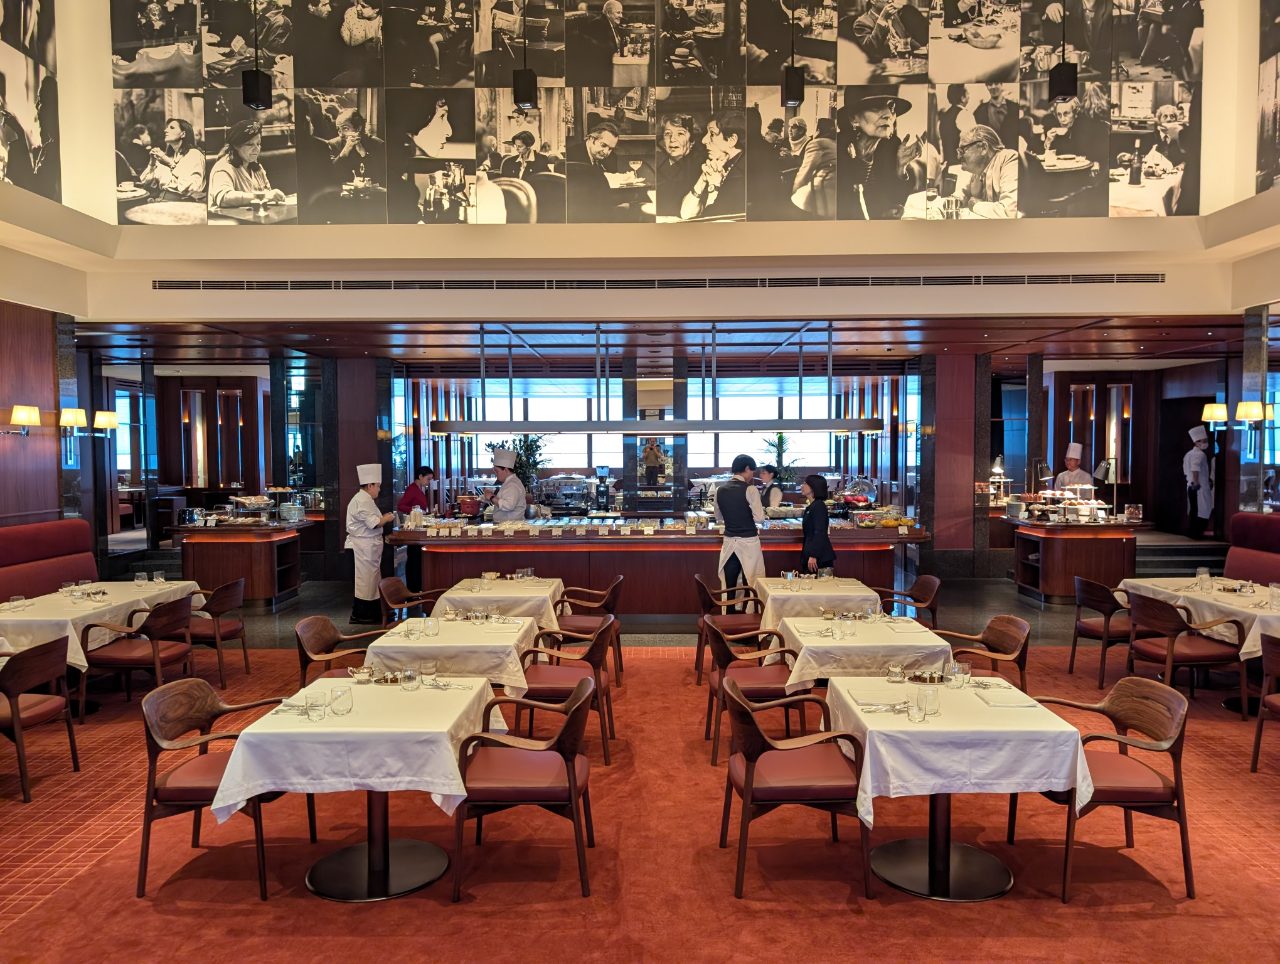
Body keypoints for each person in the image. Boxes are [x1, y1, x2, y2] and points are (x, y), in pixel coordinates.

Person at [836, 87, 919, 220]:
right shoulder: (836, 148)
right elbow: (843, 206)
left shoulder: (891, 145)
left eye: (891, 107)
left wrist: (901, 169)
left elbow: (897, 199)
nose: (888, 114)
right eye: (876, 106)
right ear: (853, 118)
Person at [346, 462, 394, 624]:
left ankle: (375, 613)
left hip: (369, 546)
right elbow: (374, 523)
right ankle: (362, 615)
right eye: (378, 486)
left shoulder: (366, 499)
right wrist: (387, 518)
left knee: (372, 581)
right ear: (370, 485)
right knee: (366, 583)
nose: (379, 489)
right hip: (363, 546)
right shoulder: (362, 500)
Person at [714, 454, 765, 601]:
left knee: (730, 584)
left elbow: (719, 517)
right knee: (753, 581)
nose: (752, 475)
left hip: (729, 542)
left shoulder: (719, 490)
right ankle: (751, 611)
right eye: (752, 471)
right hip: (749, 542)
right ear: (747, 468)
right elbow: (759, 518)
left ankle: (729, 611)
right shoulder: (751, 489)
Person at [680, 109, 746, 220]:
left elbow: (713, 219)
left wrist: (714, 187)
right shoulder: (717, 164)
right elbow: (685, 214)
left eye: (712, 134)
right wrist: (702, 179)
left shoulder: (741, 176)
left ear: (732, 140)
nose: (704, 140)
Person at [207, 119, 286, 211]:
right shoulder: (223, 167)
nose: (256, 149)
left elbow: (268, 195)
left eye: (258, 144)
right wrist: (263, 196)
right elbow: (224, 198)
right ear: (236, 146)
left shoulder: (256, 167)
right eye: (250, 144)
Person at [1030, 1, 1112, 77]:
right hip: (1076, 74)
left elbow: (1113, 54)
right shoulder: (1068, 5)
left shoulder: (1112, 8)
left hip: (1105, 75)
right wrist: (1049, 9)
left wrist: (1084, 56)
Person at [953, 124, 1018, 218]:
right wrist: (954, 201)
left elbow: (1009, 212)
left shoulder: (1009, 159)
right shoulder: (979, 169)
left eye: (963, 150)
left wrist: (976, 205)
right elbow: (963, 193)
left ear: (983, 147)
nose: (958, 156)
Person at [140, 117, 206, 200]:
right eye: (167, 128)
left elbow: (192, 188)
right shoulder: (168, 156)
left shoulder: (194, 155)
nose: (165, 131)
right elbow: (144, 182)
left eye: (172, 128)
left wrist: (170, 163)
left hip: (182, 203)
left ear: (183, 134)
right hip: (160, 199)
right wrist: (152, 163)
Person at [655, 113, 704, 216]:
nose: (672, 139)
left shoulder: (699, 167)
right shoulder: (659, 163)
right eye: (667, 134)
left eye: (680, 133)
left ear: (692, 140)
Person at [571, 0, 626, 86]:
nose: (621, 16)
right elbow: (599, 53)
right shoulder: (599, 24)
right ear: (608, 13)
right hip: (602, 73)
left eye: (621, 13)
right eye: (618, 13)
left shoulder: (609, 23)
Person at [851, 0, 928, 61]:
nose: (891, 0)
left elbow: (905, 38)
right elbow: (872, 48)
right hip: (882, 67)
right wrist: (882, 19)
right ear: (873, 1)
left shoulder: (894, 16)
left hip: (902, 62)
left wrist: (922, 49)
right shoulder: (861, 23)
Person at [328, 107, 385, 183]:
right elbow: (330, 174)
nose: (341, 135)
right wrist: (345, 151)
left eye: (345, 129)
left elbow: (381, 176)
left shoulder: (377, 144)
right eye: (339, 129)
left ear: (358, 128)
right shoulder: (333, 144)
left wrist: (363, 154)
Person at [800, 474, 835, 573]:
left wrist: (813, 555)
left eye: (805, 483)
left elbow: (820, 532)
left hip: (819, 558)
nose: (802, 486)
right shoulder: (812, 506)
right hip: (811, 555)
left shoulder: (819, 506)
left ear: (813, 487)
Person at [1183, 424, 1213, 539]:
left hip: (1191, 486)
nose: (1205, 443)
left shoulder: (1188, 454)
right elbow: (1195, 468)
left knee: (1194, 510)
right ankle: (1196, 533)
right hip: (1198, 487)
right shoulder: (1199, 454)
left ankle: (1193, 533)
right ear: (1196, 442)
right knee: (1202, 510)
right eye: (1203, 441)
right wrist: (1196, 482)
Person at [973, 83, 1018, 155]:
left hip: (1012, 153)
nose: (993, 87)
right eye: (990, 84)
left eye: (996, 83)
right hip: (990, 154)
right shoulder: (980, 111)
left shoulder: (1015, 107)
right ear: (986, 86)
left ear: (1001, 84)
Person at [487, 448, 528, 522]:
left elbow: (508, 505)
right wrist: (486, 497)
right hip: (506, 525)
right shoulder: (508, 482)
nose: (496, 474)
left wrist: (491, 497)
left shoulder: (512, 484)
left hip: (511, 526)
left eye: (497, 471)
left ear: (505, 470)